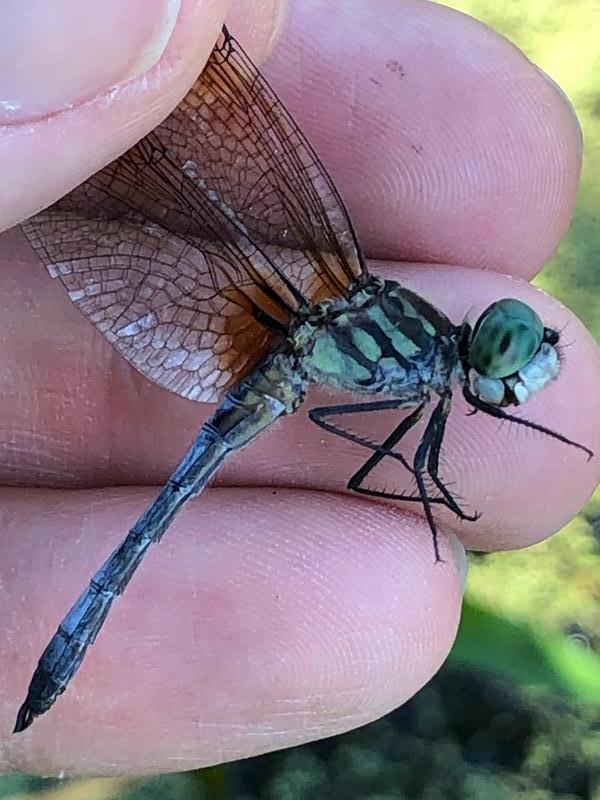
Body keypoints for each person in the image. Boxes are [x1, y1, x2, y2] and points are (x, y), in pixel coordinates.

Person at [1, 0, 598, 777]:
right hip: (279, 358)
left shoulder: (423, 368)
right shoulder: (426, 370)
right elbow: (373, 450)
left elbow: (373, 439)